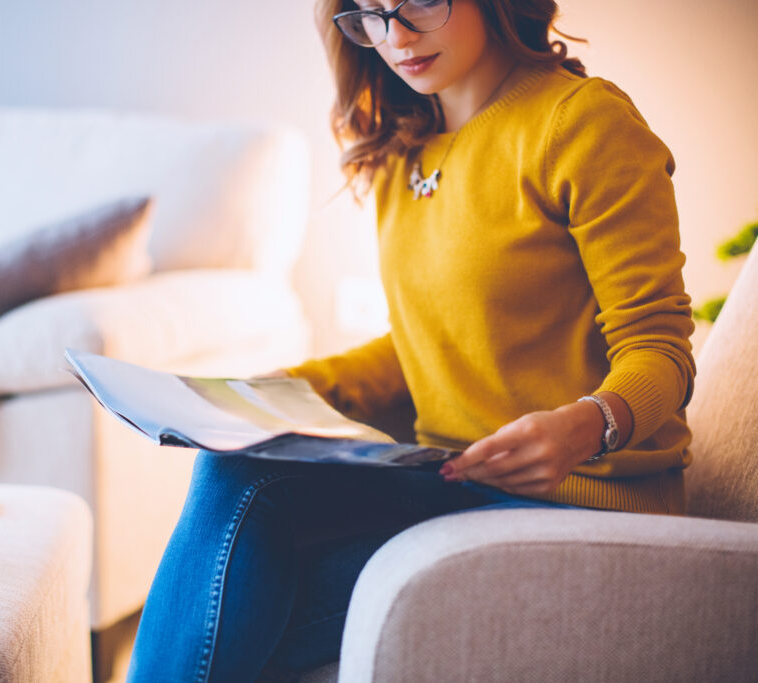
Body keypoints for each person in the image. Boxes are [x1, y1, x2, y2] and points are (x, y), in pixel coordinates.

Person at [127, 0, 695, 680]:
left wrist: (585, 425)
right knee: (232, 500)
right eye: (367, 13)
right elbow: (426, 341)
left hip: (578, 501)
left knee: (228, 580)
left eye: (419, 0)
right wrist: (272, 394)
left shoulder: (580, 122)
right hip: (450, 480)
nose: (394, 36)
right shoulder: (404, 152)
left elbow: (660, 349)